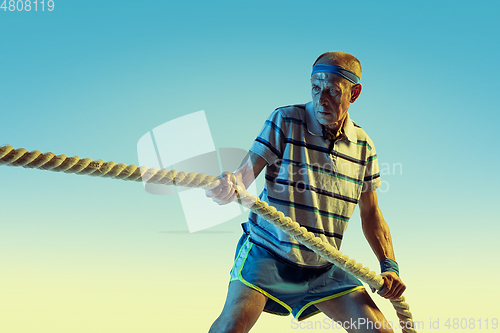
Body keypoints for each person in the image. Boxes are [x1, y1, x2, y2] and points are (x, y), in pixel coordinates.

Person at [205, 51, 406, 333]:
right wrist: (231, 184)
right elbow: (245, 173)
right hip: (268, 254)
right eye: (315, 88)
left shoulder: (365, 147)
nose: (321, 99)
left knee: (380, 331)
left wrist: (389, 265)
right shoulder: (285, 119)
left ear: (355, 93)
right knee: (232, 327)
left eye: (333, 92)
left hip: (324, 265)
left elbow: (371, 213)